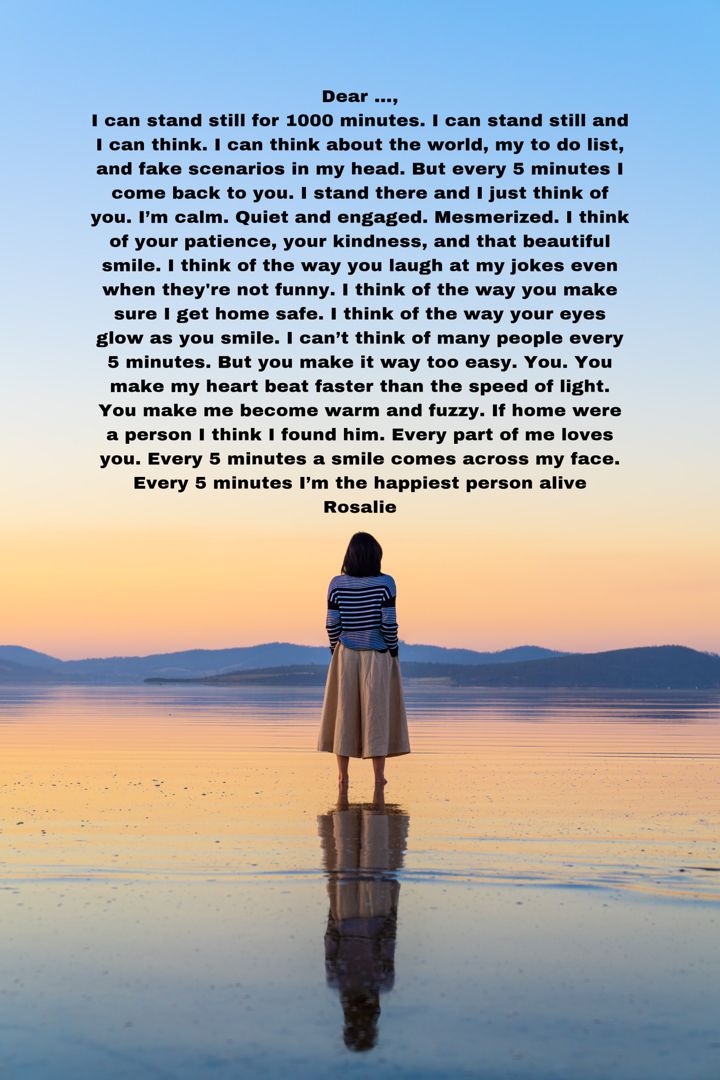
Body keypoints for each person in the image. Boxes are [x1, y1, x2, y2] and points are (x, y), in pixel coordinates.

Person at [317, 532, 411, 790]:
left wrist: (335, 651)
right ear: (375, 556)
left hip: (345, 653)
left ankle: (342, 777)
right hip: (377, 654)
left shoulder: (336, 584)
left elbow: (331, 623)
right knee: (377, 713)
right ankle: (379, 777)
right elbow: (388, 621)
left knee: (343, 713)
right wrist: (393, 650)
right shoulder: (386, 583)